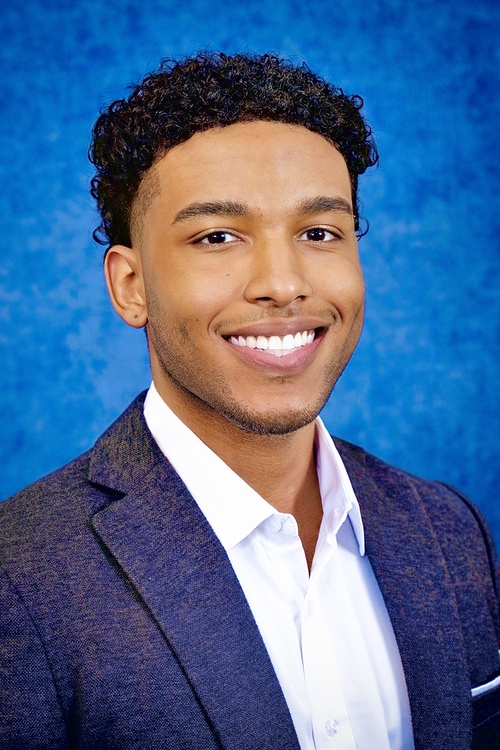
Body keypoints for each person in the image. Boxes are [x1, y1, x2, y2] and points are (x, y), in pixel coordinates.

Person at [1, 53, 499, 750]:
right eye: (217, 237)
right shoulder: (21, 575)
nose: (283, 283)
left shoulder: (450, 530)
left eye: (319, 232)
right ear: (131, 286)